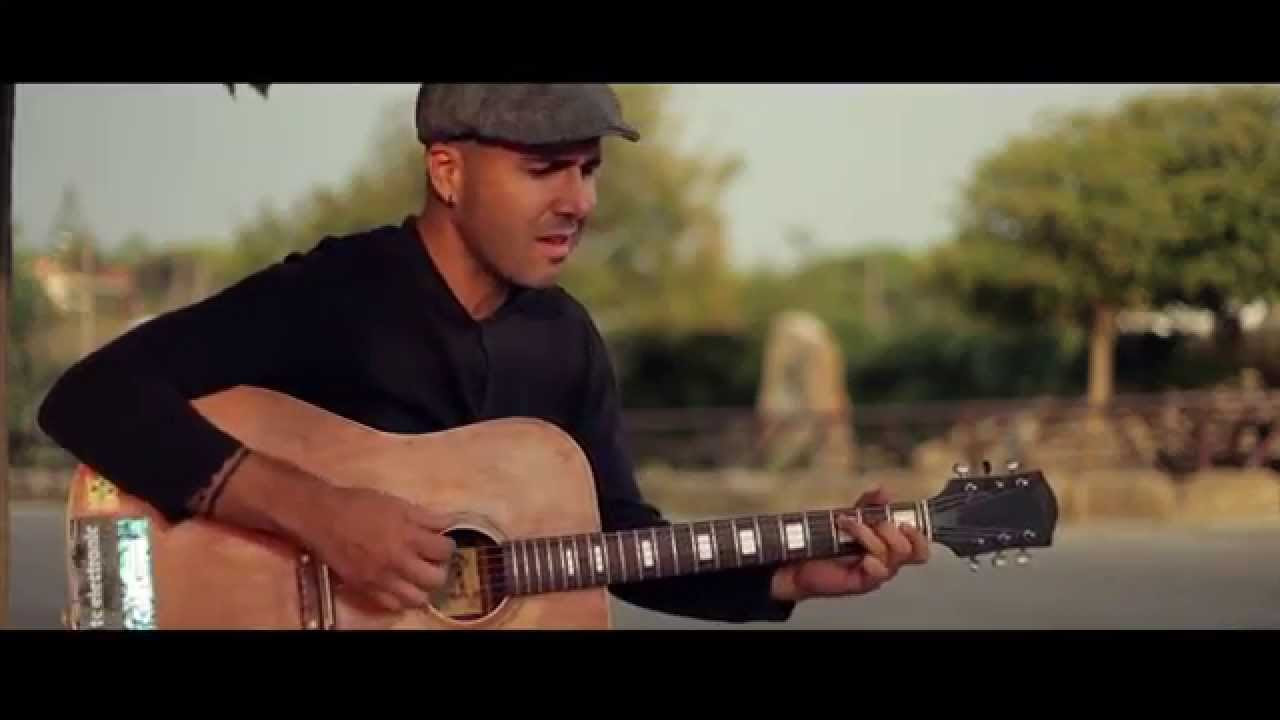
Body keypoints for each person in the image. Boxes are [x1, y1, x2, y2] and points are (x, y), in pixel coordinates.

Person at [38, 83, 929, 625]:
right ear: (448, 171)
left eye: (588, 168)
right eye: (545, 169)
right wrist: (318, 512)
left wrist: (786, 573)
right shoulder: (336, 297)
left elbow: (616, 543)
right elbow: (89, 398)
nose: (579, 201)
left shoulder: (566, 341)